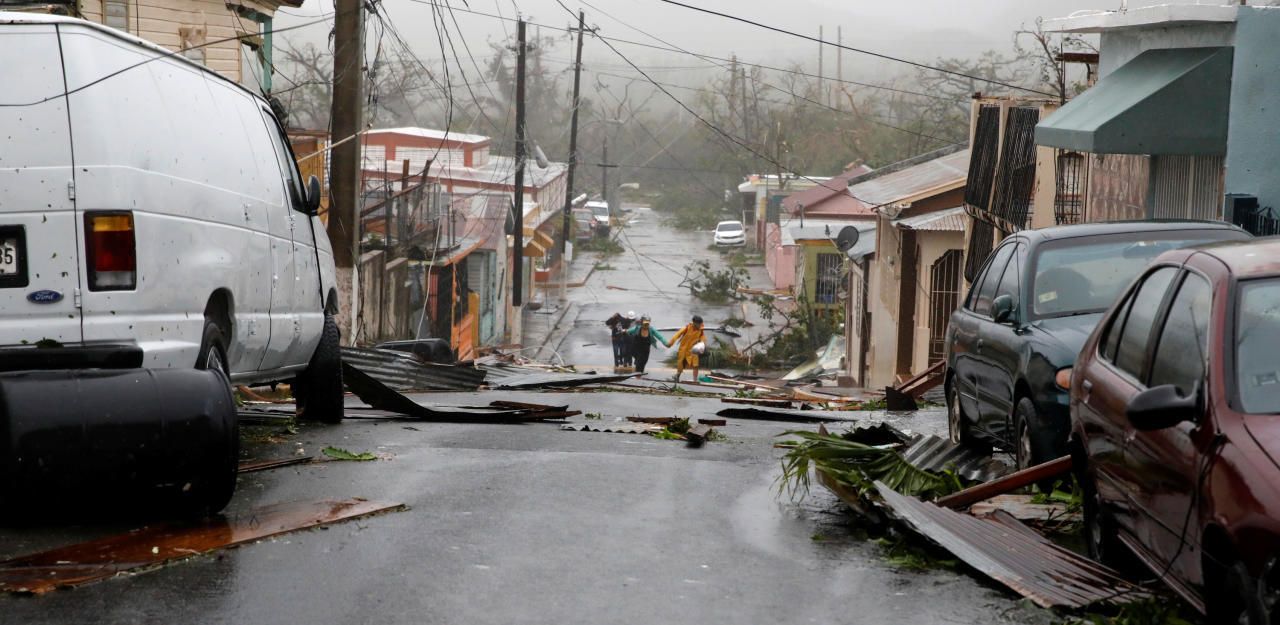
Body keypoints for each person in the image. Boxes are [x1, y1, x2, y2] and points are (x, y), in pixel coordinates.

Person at [669, 314, 706, 384]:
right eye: (699, 324)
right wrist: (670, 343)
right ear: (694, 323)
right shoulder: (686, 328)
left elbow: (703, 338)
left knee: (696, 365)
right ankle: (677, 376)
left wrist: (702, 345)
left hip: (693, 350)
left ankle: (695, 380)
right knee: (681, 364)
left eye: (700, 324)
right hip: (684, 350)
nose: (700, 325)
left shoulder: (700, 330)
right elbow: (677, 335)